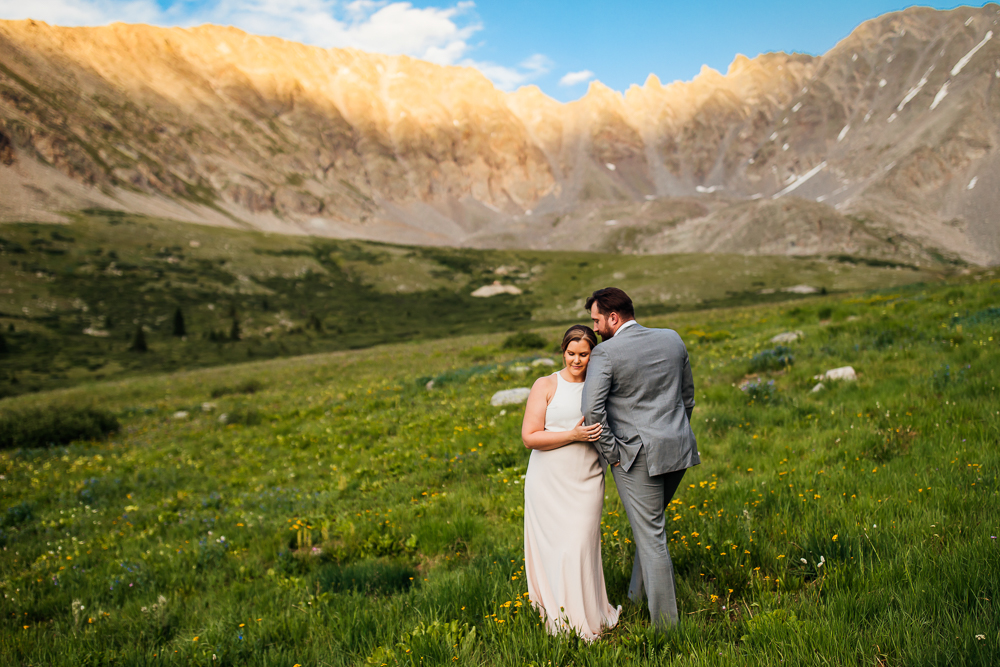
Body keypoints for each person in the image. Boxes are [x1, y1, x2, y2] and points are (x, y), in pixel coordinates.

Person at [581, 287, 699, 631]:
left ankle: (667, 629)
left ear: (613, 318)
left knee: (652, 539)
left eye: (597, 320)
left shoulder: (605, 354)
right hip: (678, 448)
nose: (595, 327)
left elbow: (592, 411)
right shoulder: (672, 338)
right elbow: (687, 396)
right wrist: (675, 433)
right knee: (651, 529)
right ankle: (634, 597)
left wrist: (614, 454)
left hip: (637, 457)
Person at [521, 324, 621, 641]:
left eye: (584, 354)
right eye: (570, 353)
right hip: (547, 481)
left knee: (579, 546)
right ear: (562, 351)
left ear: (594, 354)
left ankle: (587, 614)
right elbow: (530, 437)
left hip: (587, 478)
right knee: (555, 550)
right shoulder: (546, 384)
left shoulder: (601, 385)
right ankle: (560, 617)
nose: (576, 361)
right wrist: (573, 435)